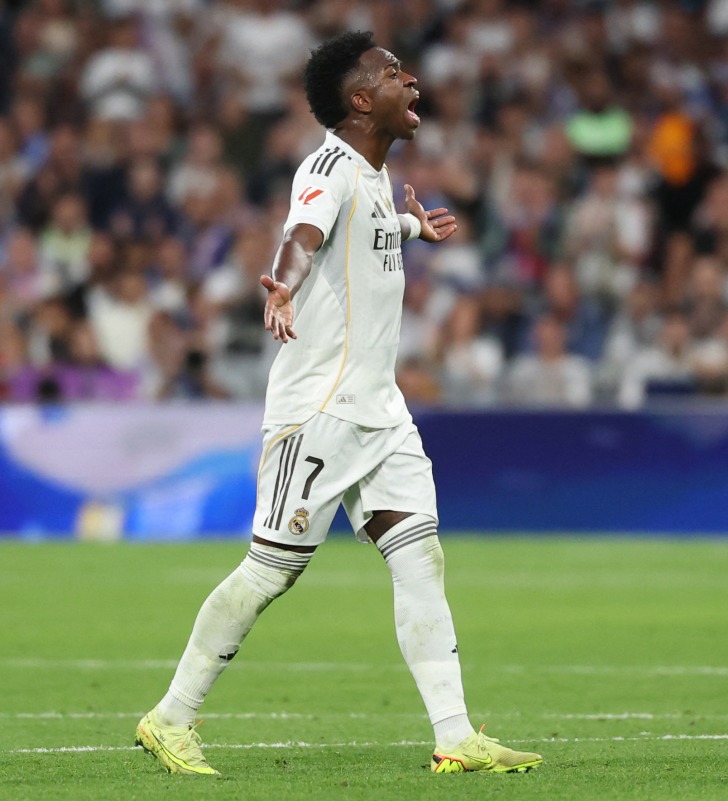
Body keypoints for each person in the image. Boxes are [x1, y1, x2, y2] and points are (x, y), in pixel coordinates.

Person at [134, 31, 543, 776]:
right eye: (393, 74)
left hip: (378, 411)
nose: (410, 80)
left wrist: (413, 226)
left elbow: (360, 232)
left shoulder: (373, 176)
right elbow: (306, 230)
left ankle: (455, 733)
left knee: (421, 555)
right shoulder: (327, 166)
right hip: (319, 409)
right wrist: (284, 280)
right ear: (361, 100)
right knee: (270, 570)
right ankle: (170, 716)